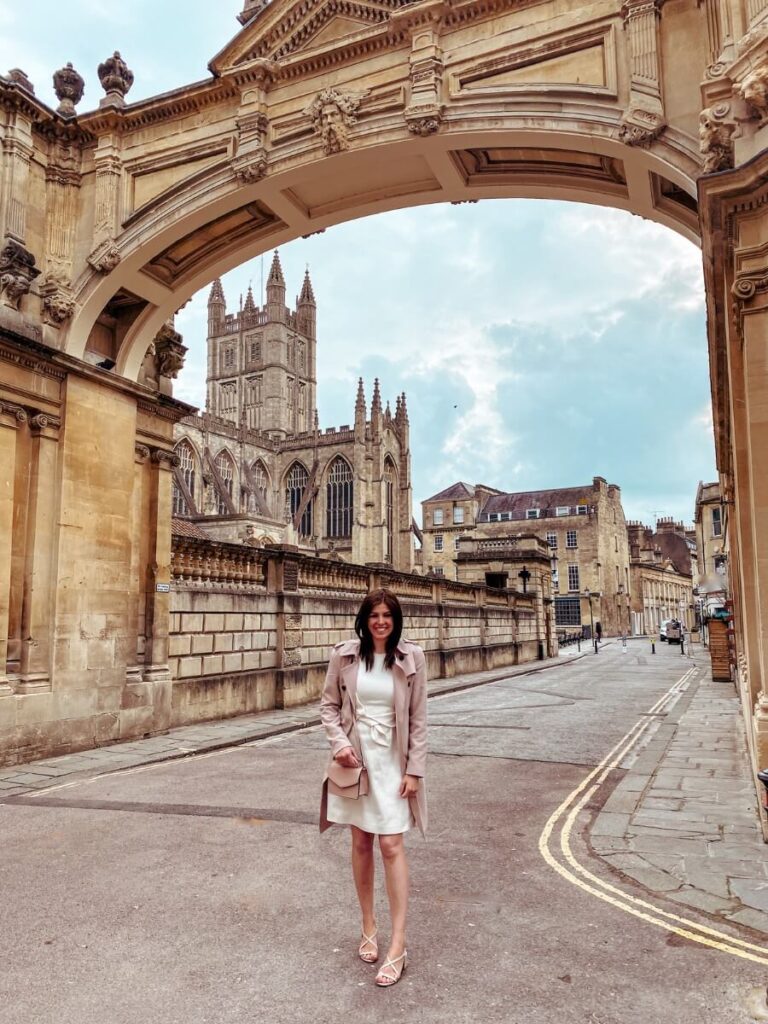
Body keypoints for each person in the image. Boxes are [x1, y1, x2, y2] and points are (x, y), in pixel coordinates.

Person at [319, 589, 428, 988]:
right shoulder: (344, 655)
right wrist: (340, 744)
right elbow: (328, 705)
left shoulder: (412, 658)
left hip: (393, 762)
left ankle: (398, 945)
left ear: (396, 620)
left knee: (391, 845)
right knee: (361, 842)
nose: (381, 621)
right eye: (374, 615)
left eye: (387, 615)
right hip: (356, 762)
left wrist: (415, 770)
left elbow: (418, 720)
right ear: (364, 620)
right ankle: (368, 926)